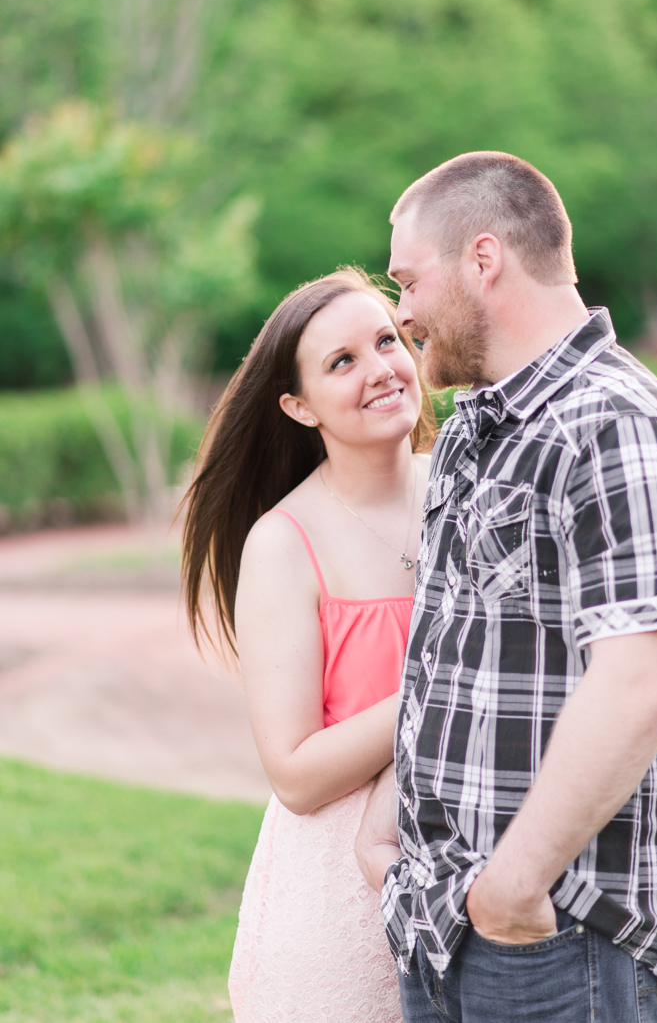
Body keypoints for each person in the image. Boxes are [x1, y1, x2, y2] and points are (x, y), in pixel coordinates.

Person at [355, 152, 657, 1022]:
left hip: (559, 935)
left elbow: (637, 687)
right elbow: (450, 663)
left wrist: (515, 888)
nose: (401, 312)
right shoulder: (474, 431)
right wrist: (395, 844)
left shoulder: (619, 426)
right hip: (447, 921)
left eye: (408, 282)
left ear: (484, 261)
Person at [181, 268, 438, 1023]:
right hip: (338, 901)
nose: (381, 369)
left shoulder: (467, 488)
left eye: (386, 341)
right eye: (341, 362)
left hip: (474, 869)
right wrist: (441, 685)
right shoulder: (283, 544)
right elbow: (293, 773)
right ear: (296, 406)